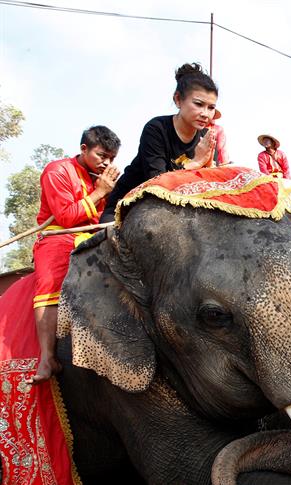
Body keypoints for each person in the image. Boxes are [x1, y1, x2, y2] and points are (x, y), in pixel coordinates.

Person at [29, 126, 121, 383]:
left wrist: (112, 191)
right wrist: (101, 191)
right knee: (49, 283)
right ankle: (47, 357)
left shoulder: (101, 176)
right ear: (84, 149)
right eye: (102, 155)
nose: (106, 163)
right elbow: (67, 217)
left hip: (93, 235)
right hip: (58, 236)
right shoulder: (57, 171)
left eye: (111, 158)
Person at [100, 64, 217, 222]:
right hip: (128, 208)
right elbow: (157, 185)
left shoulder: (206, 137)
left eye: (211, 108)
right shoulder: (156, 129)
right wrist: (195, 163)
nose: (205, 114)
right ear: (177, 100)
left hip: (174, 211)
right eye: (198, 104)